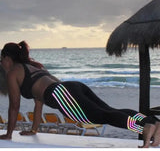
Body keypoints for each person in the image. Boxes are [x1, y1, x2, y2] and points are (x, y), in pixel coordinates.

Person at [0, 41, 159, 148]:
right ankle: (151, 122)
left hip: (61, 95)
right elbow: (38, 103)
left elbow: (14, 107)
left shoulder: (14, 72)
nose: (1, 63)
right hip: (72, 86)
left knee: (102, 116)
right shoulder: (34, 67)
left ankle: (143, 127)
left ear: (7, 57)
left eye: (2, 59)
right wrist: (34, 130)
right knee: (109, 111)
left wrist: (8, 134)